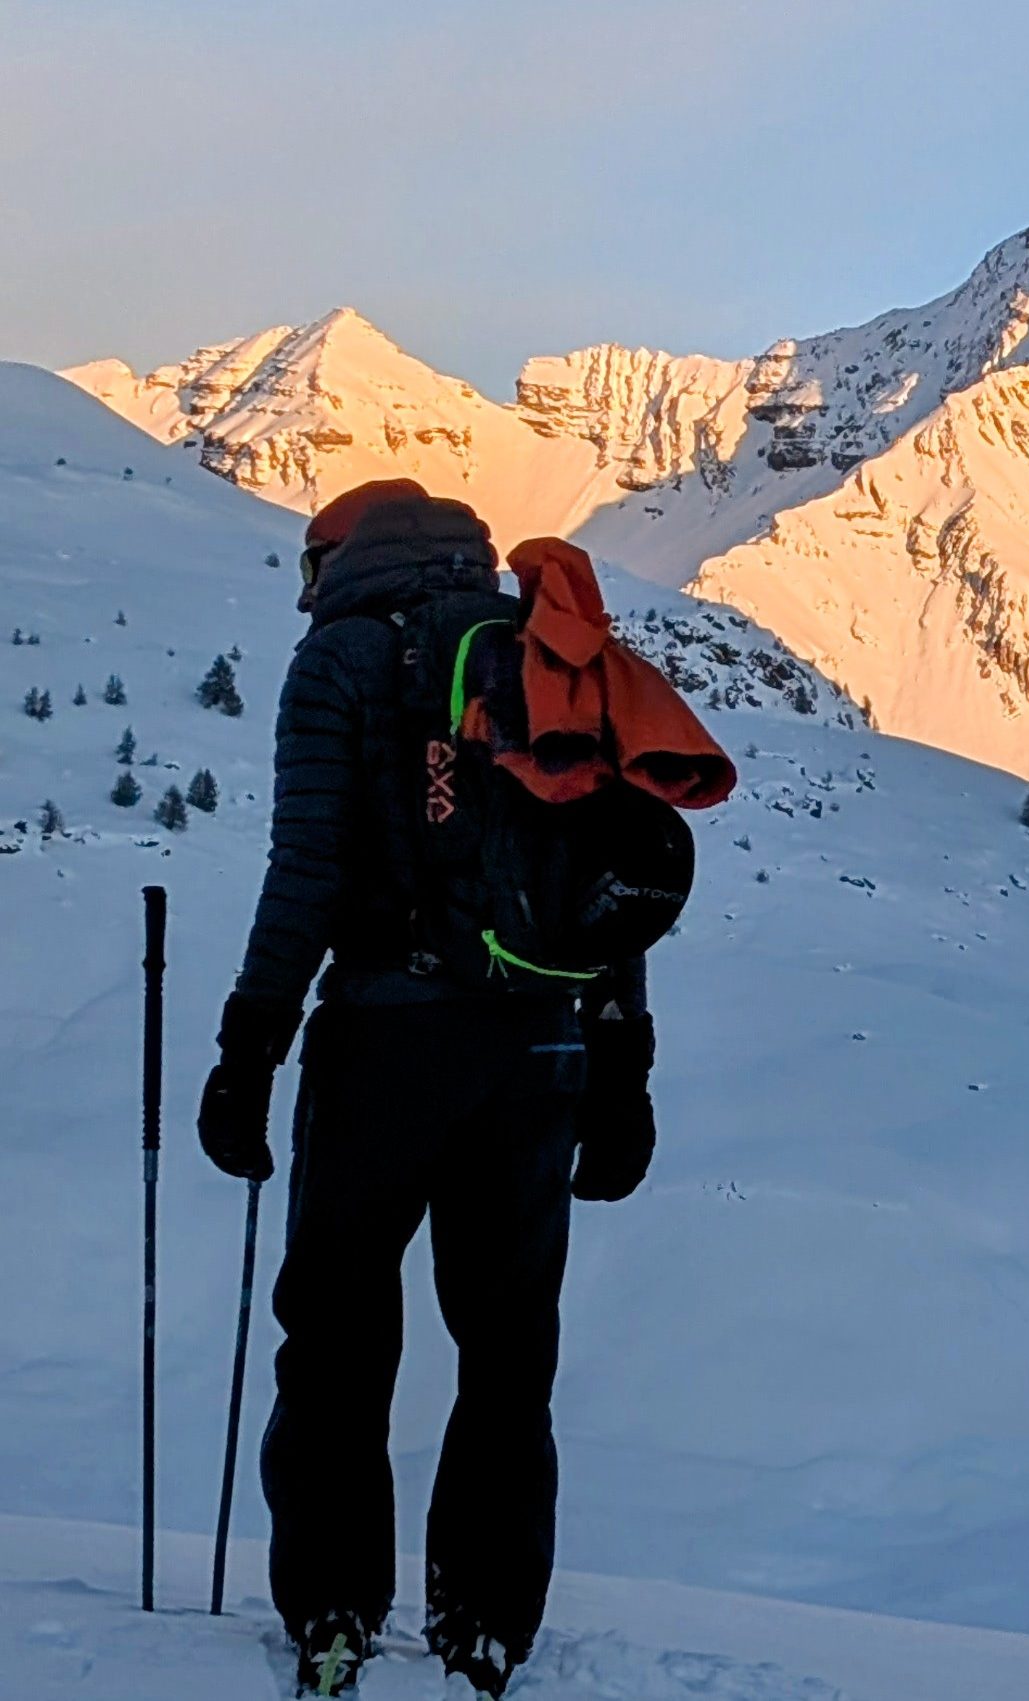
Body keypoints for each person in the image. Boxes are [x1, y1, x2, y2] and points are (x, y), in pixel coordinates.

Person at [195, 480, 659, 1697]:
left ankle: (338, 1612)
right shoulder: (546, 655)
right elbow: (610, 877)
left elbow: (307, 868)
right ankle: (485, 1624)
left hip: (385, 1047)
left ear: (340, 560)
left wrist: (249, 1049)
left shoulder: (342, 661)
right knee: (509, 1356)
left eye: (309, 570)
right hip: (540, 1052)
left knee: (341, 1342)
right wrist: (622, 1066)